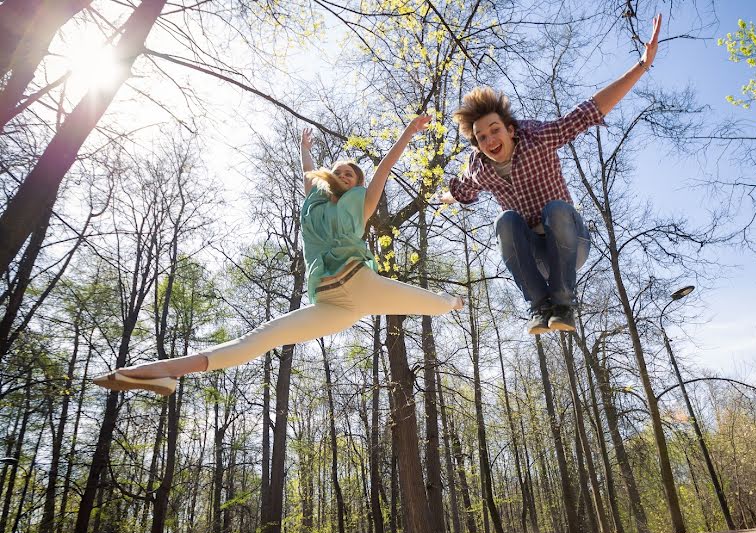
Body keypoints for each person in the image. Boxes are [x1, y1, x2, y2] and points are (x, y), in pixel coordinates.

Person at [94, 115, 463, 396]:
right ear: (331, 179)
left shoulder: (363, 203)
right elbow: (309, 176)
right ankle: (163, 372)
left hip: (361, 284)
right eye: (340, 172)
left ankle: (453, 301)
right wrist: (305, 150)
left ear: (358, 182)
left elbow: (384, 166)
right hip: (333, 302)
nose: (345, 175)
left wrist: (409, 132)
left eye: (351, 173)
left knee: (437, 303)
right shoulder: (313, 203)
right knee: (259, 338)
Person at [441, 15, 662, 335]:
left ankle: (562, 304)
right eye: (482, 138)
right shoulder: (479, 168)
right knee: (505, 221)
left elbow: (589, 112)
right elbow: (463, 190)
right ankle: (539, 305)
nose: (490, 141)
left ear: (510, 130)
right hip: (534, 253)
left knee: (555, 209)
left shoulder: (537, 137)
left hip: (570, 243)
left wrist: (642, 65)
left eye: (494, 131)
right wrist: (444, 196)